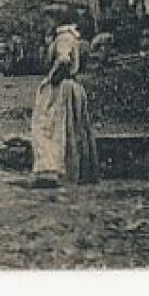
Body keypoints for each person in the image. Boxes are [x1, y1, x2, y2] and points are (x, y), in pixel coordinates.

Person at [30, 22, 98, 186]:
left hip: (61, 88)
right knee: (70, 128)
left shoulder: (64, 38)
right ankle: (73, 170)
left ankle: (52, 169)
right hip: (71, 87)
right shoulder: (71, 37)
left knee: (50, 126)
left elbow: (64, 60)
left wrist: (52, 78)